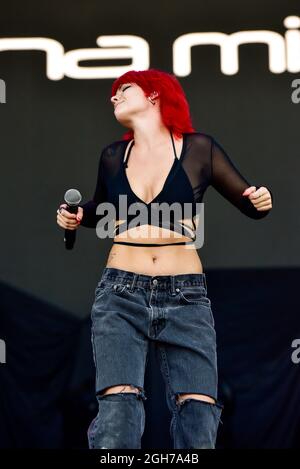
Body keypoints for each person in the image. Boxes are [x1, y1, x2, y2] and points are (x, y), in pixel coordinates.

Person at [56, 69, 273, 449]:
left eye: (124, 88)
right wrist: (76, 216)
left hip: (185, 295)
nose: (114, 97)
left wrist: (259, 201)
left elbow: (249, 202)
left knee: (199, 409)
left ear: (155, 95)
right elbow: (101, 207)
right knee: (118, 409)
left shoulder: (198, 149)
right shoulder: (113, 156)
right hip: (120, 292)